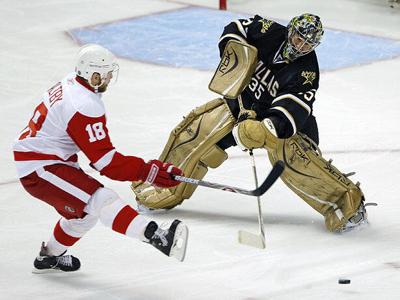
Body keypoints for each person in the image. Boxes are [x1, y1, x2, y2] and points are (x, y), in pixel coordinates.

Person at [132, 13, 371, 233]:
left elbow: (293, 111)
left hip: (280, 127)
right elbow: (235, 29)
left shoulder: (306, 72)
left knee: (295, 160)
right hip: (241, 104)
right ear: (291, 30)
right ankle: (162, 186)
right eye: (299, 38)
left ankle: (347, 205)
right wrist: (235, 58)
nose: (300, 46)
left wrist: (261, 128)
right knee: (196, 132)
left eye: (308, 44)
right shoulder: (269, 31)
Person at [13, 44, 188, 273]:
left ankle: (48, 257)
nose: (109, 79)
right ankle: (158, 236)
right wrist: (150, 172)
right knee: (101, 199)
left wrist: (149, 170)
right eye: (106, 75)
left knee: (84, 216)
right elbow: (107, 163)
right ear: (93, 75)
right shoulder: (84, 105)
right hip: (40, 167)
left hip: (48, 158)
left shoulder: (71, 82)